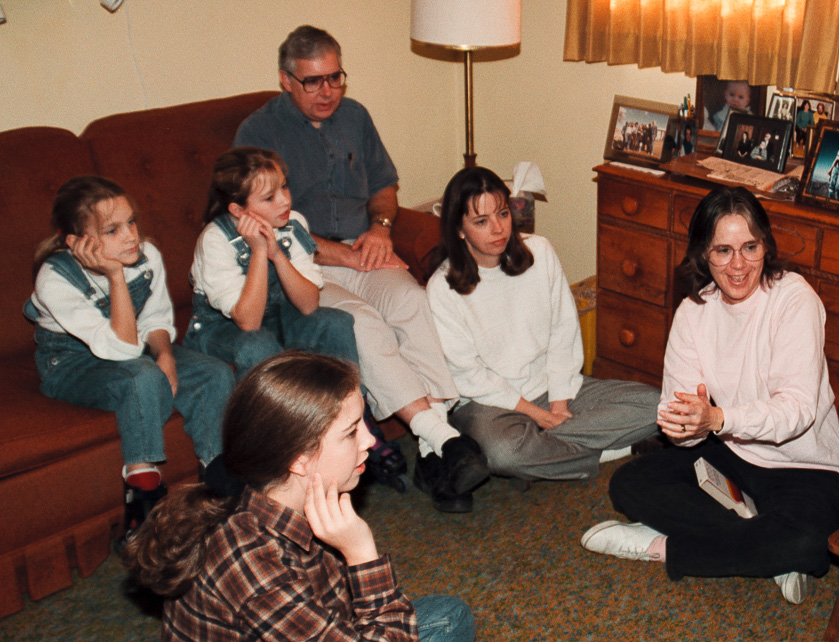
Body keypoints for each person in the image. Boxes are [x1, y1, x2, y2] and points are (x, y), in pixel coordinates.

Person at [120, 351, 505, 642]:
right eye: (352, 431)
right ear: (300, 458)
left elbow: (343, 614)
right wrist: (362, 556)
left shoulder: (299, 502)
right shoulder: (246, 559)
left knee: (449, 616)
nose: (371, 441)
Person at [233, 25, 488, 513]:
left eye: (335, 78)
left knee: (414, 300)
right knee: (362, 323)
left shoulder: (355, 116)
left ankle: (436, 454)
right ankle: (445, 442)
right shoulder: (259, 133)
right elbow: (264, 219)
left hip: (363, 250)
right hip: (304, 265)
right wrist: (343, 254)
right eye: (313, 82)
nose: (328, 91)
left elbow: (385, 184)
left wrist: (381, 227)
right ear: (287, 80)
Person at [580, 186, 839, 605]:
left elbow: (796, 411)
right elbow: (685, 428)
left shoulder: (795, 299)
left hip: (807, 468)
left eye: (750, 247)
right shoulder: (695, 310)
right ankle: (759, 542)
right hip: (732, 456)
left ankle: (667, 546)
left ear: (766, 244)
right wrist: (686, 426)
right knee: (629, 483)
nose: (739, 264)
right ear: (703, 255)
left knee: (811, 546)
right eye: (723, 251)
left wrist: (718, 419)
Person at [25, 176, 234, 539]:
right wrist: (116, 276)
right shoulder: (55, 278)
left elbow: (155, 318)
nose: (130, 236)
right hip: (72, 363)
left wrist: (166, 356)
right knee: (142, 377)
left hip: (133, 344)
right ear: (76, 243)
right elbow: (118, 350)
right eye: (112, 230)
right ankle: (144, 504)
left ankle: (218, 487)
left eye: (131, 222)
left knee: (214, 374)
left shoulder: (147, 255)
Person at [427, 166, 661, 484]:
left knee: (657, 406)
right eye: (482, 221)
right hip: (488, 403)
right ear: (459, 229)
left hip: (551, 387)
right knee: (503, 452)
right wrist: (539, 416)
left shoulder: (540, 252)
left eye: (503, 214)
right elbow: (469, 376)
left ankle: (543, 456)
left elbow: (563, 332)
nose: (498, 229)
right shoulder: (442, 287)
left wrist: (559, 403)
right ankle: (605, 450)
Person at [185, 147, 360, 380]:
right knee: (259, 345)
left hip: (278, 317)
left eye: (284, 186)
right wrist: (258, 250)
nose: (285, 201)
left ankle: (346, 407)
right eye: (269, 198)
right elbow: (249, 321)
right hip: (219, 328)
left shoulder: (293, 224)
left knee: (335, 323)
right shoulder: (215, 240)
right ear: (239, 210)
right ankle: (271, 416)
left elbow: (308, 305)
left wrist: (277, 254)